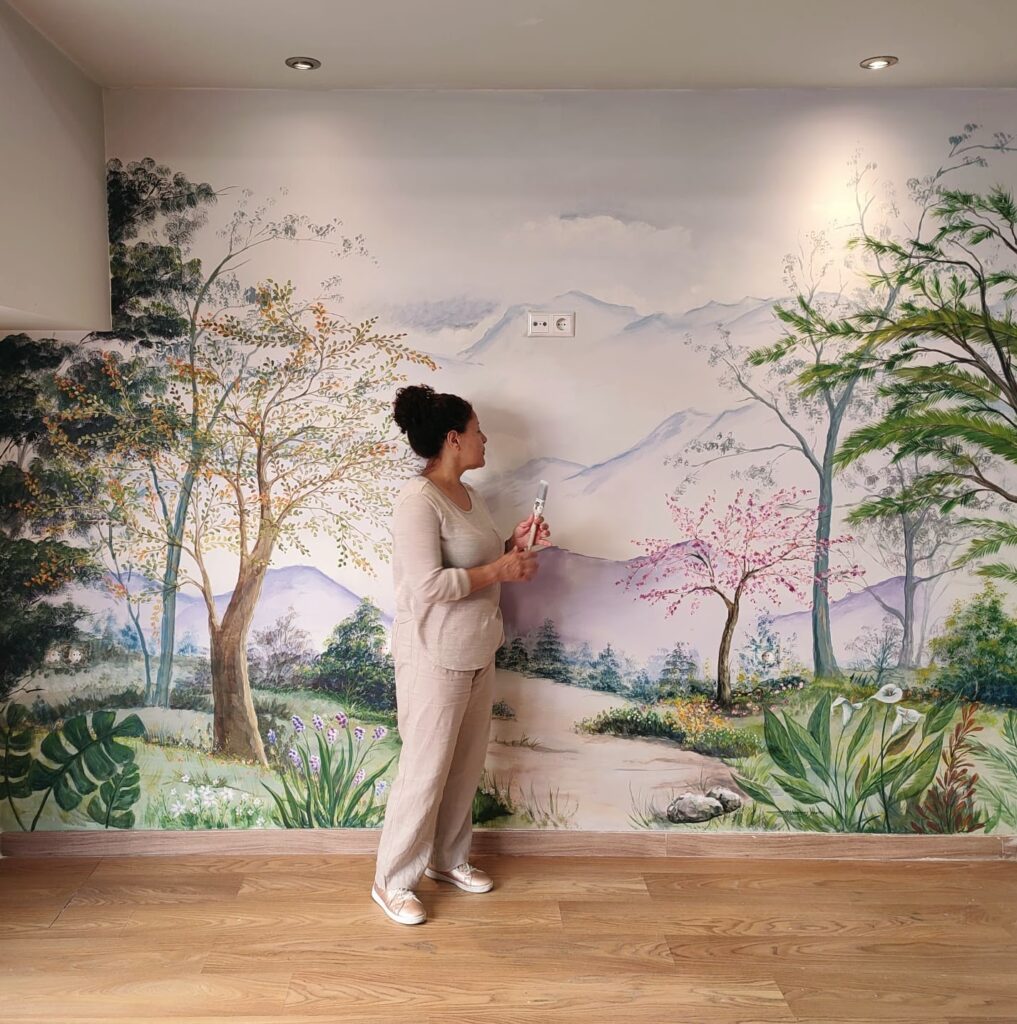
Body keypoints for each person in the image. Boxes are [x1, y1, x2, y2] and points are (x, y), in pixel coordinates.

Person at [371, 384, 551, 925]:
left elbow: (477, 563)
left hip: (477, 646)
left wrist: (513, 545)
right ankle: (392, 881)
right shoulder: (417, 501)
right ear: (453, 438)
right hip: (433, 653)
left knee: (465, 764)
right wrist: (500, 569)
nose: (485, 439)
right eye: (477, 430)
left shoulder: (470, 496)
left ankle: (447, 860)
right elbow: (426, 586)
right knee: (425, 770)